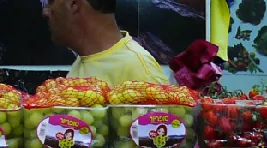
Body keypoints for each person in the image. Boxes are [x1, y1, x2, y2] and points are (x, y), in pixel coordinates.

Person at [44, 0, 173, 85]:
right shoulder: (85, 60)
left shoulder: (139, 70)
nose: (45, 12)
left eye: (51, 2)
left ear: (73, 3)